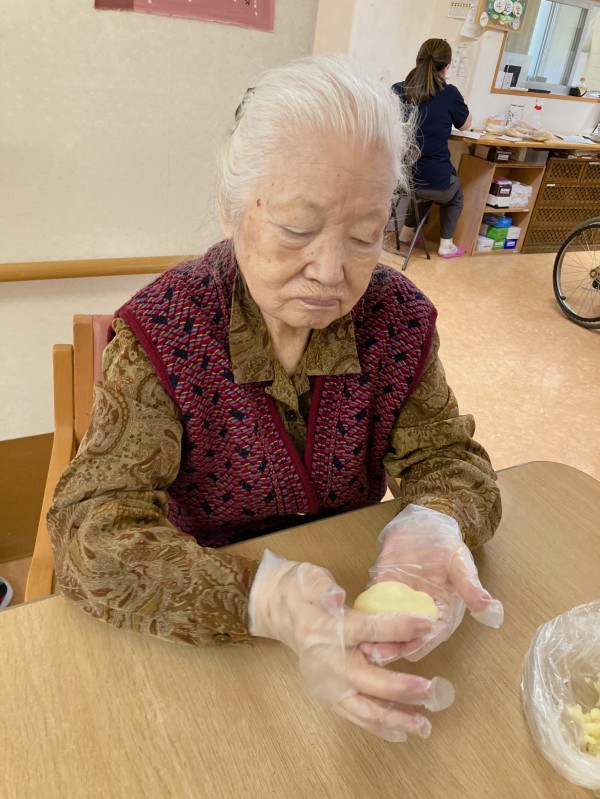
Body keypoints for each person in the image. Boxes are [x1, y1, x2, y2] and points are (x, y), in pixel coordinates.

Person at [48, 55, 502, 744]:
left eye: (364, 237)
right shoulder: (165, 331)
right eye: (297, 228)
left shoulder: (396, 320)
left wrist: (435, 522)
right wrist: (262, 599)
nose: (331, 271)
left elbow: (451, 460)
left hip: (350, 601)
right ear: (231, 208)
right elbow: (89, 533)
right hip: (207, 630)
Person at [392, 38, 472, 259]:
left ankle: (407, 233)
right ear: (446, 67)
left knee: (417, 179)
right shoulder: (449, 93)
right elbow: (466, 125)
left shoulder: (397, 90)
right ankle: (446, 245)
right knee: (454, 193)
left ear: (418, 59)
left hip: (398, 179)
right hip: (433, 180)